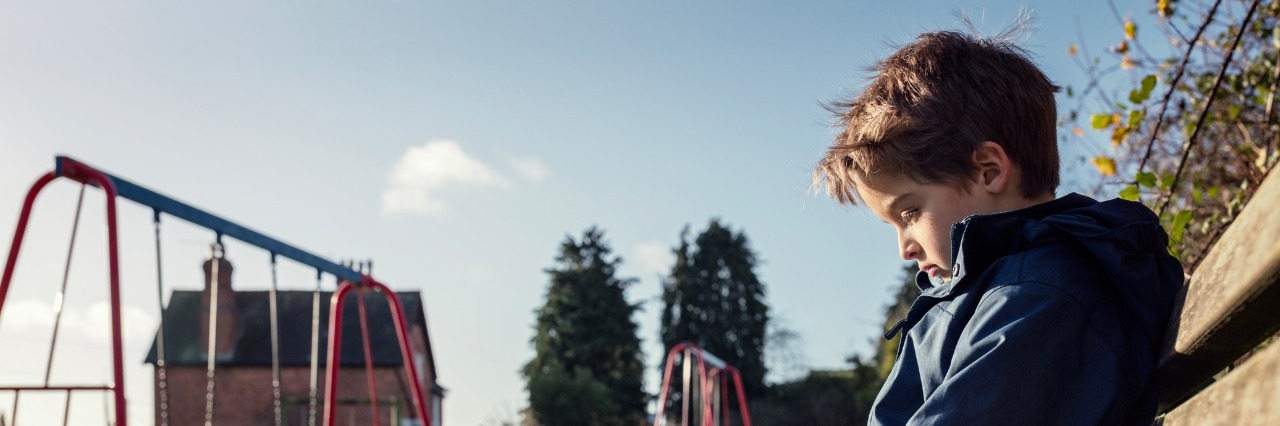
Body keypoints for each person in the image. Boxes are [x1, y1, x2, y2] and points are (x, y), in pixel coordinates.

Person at [812, 19, 1185, 425]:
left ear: (988, 171)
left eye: (910, 213)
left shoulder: (1041, 298)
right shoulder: (998, 292)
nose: (905, 248)